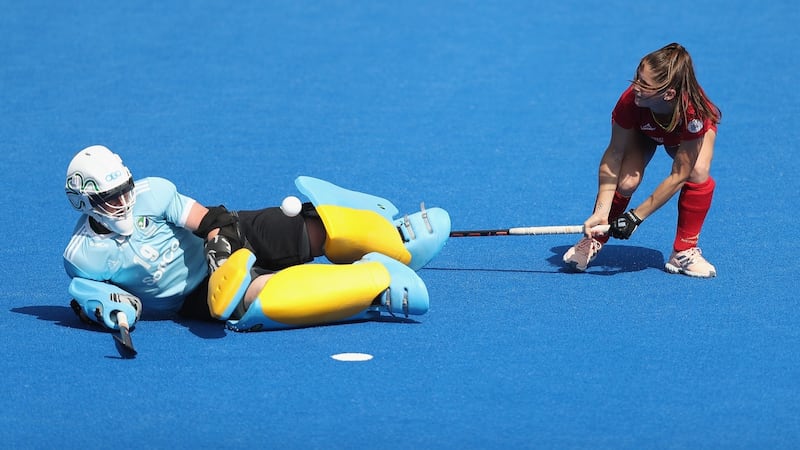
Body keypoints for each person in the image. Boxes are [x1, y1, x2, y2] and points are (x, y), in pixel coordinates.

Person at [63, 145, 451, 333]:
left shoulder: (155, 193)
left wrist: (219, 247)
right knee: (256, 299)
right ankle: (374, 284)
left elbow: (209, 218)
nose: (124, 201)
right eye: (110, 198)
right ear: (84, 202)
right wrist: (101, 309)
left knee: (304, 230)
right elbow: (88, 297)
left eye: (124, 189)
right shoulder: (83, 257)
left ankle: (393, 241)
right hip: (196, 294)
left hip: (229, 238)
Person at [563, 43, 721, 277]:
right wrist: (601, 211)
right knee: (626, 182)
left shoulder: (693, 114)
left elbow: (679, 175)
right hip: (644, 130)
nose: (635, 87)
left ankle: (684, 250)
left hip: (683, 136)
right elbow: (614, 153)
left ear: (668, 94)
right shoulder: (630, 101)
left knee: (698, 171)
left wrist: (635, 218)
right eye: (637, 78)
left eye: (644, 85)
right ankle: (595, 237)